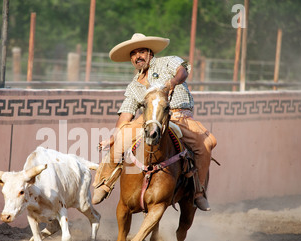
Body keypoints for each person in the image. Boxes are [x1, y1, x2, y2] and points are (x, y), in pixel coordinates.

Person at [92, 33, 217, 211]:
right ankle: (105, 183)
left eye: (141, 51)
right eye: (133, 54)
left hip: (177, 116)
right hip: (147, 120)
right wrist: (113, 136)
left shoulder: (168, 62)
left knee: (207, 143)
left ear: (150, 52)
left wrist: (172, 83)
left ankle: (199, 191)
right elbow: (126, 113)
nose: (137, 56)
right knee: (120, 138)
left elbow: (183, 70)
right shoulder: (134, 85)